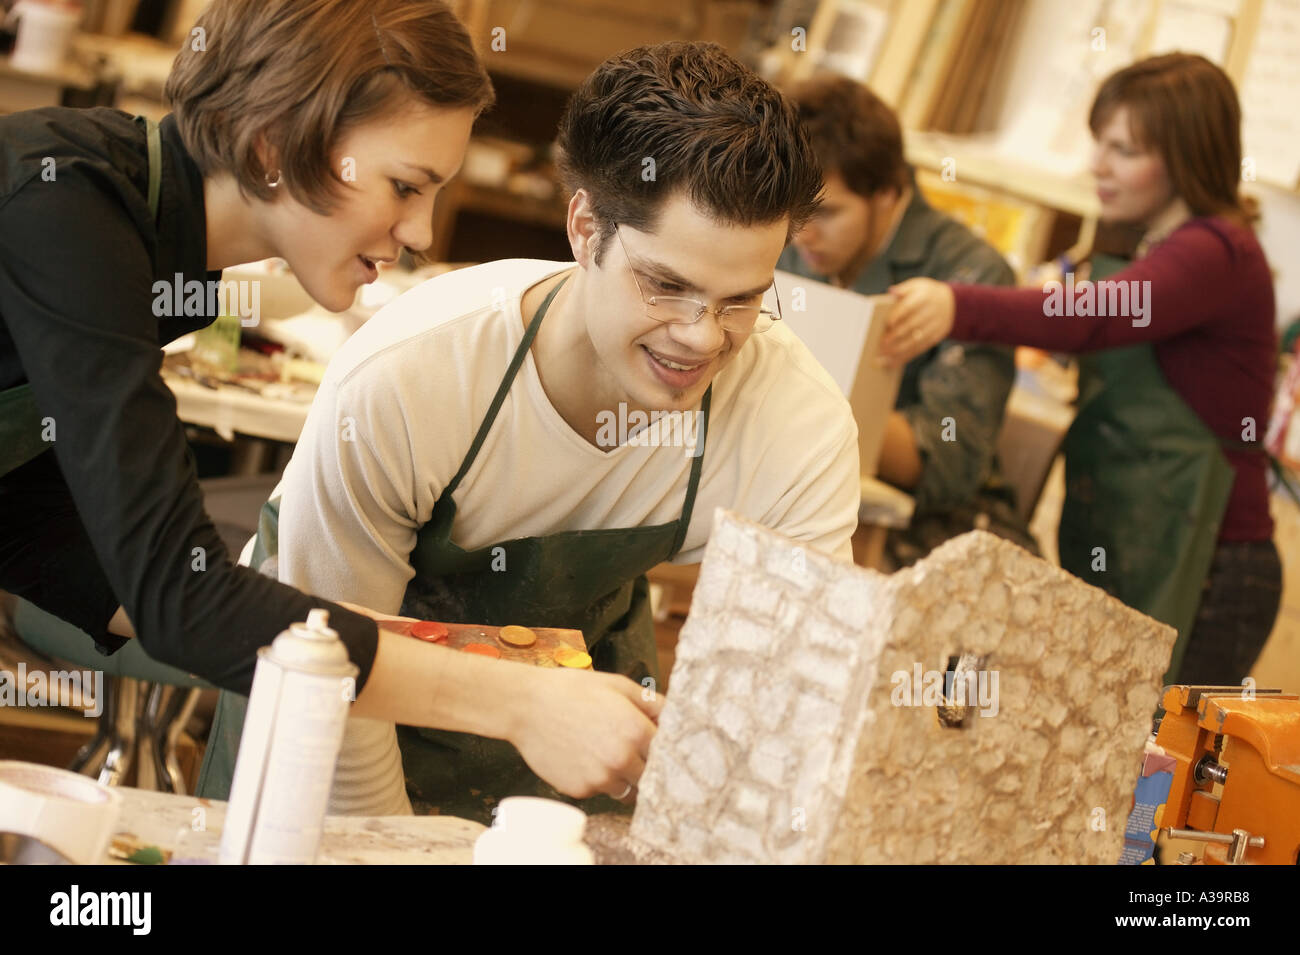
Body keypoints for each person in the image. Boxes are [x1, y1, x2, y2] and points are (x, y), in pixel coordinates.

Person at [0, 0, 663, 800]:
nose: (421, 232)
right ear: (272, 146)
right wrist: (518, 705)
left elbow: (44, 529)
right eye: (404, 186)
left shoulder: (154, 250)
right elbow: (178, 599)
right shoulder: (65, 208)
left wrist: (384, 638)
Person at [199, 41, 861, 822]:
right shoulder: (411, 377)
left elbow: (796, 702)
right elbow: (328, 671)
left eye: (741, 300)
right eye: (665, 285)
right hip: (329, 729)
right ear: (585, 227)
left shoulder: (795, 419)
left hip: (568, 751)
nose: (702, 336)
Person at [882, 53, 1280, 686]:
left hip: (1212, 566)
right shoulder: (1148, 246)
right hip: (1146, 541)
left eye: (1124, 150)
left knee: (1152, 746)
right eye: (1099, 143)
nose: (1097, 165)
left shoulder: (1218, 251)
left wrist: (959, 305)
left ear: (1186, 156)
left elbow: (1093, 315)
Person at [778, 75, 1036, 566]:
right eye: (791, 210)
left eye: (826, 212)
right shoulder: (788, 241)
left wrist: (803, 409)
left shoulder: (972, 274)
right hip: (805, 491)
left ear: (888, 192)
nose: (802, 234)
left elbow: (951, 461)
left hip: (936, 534)